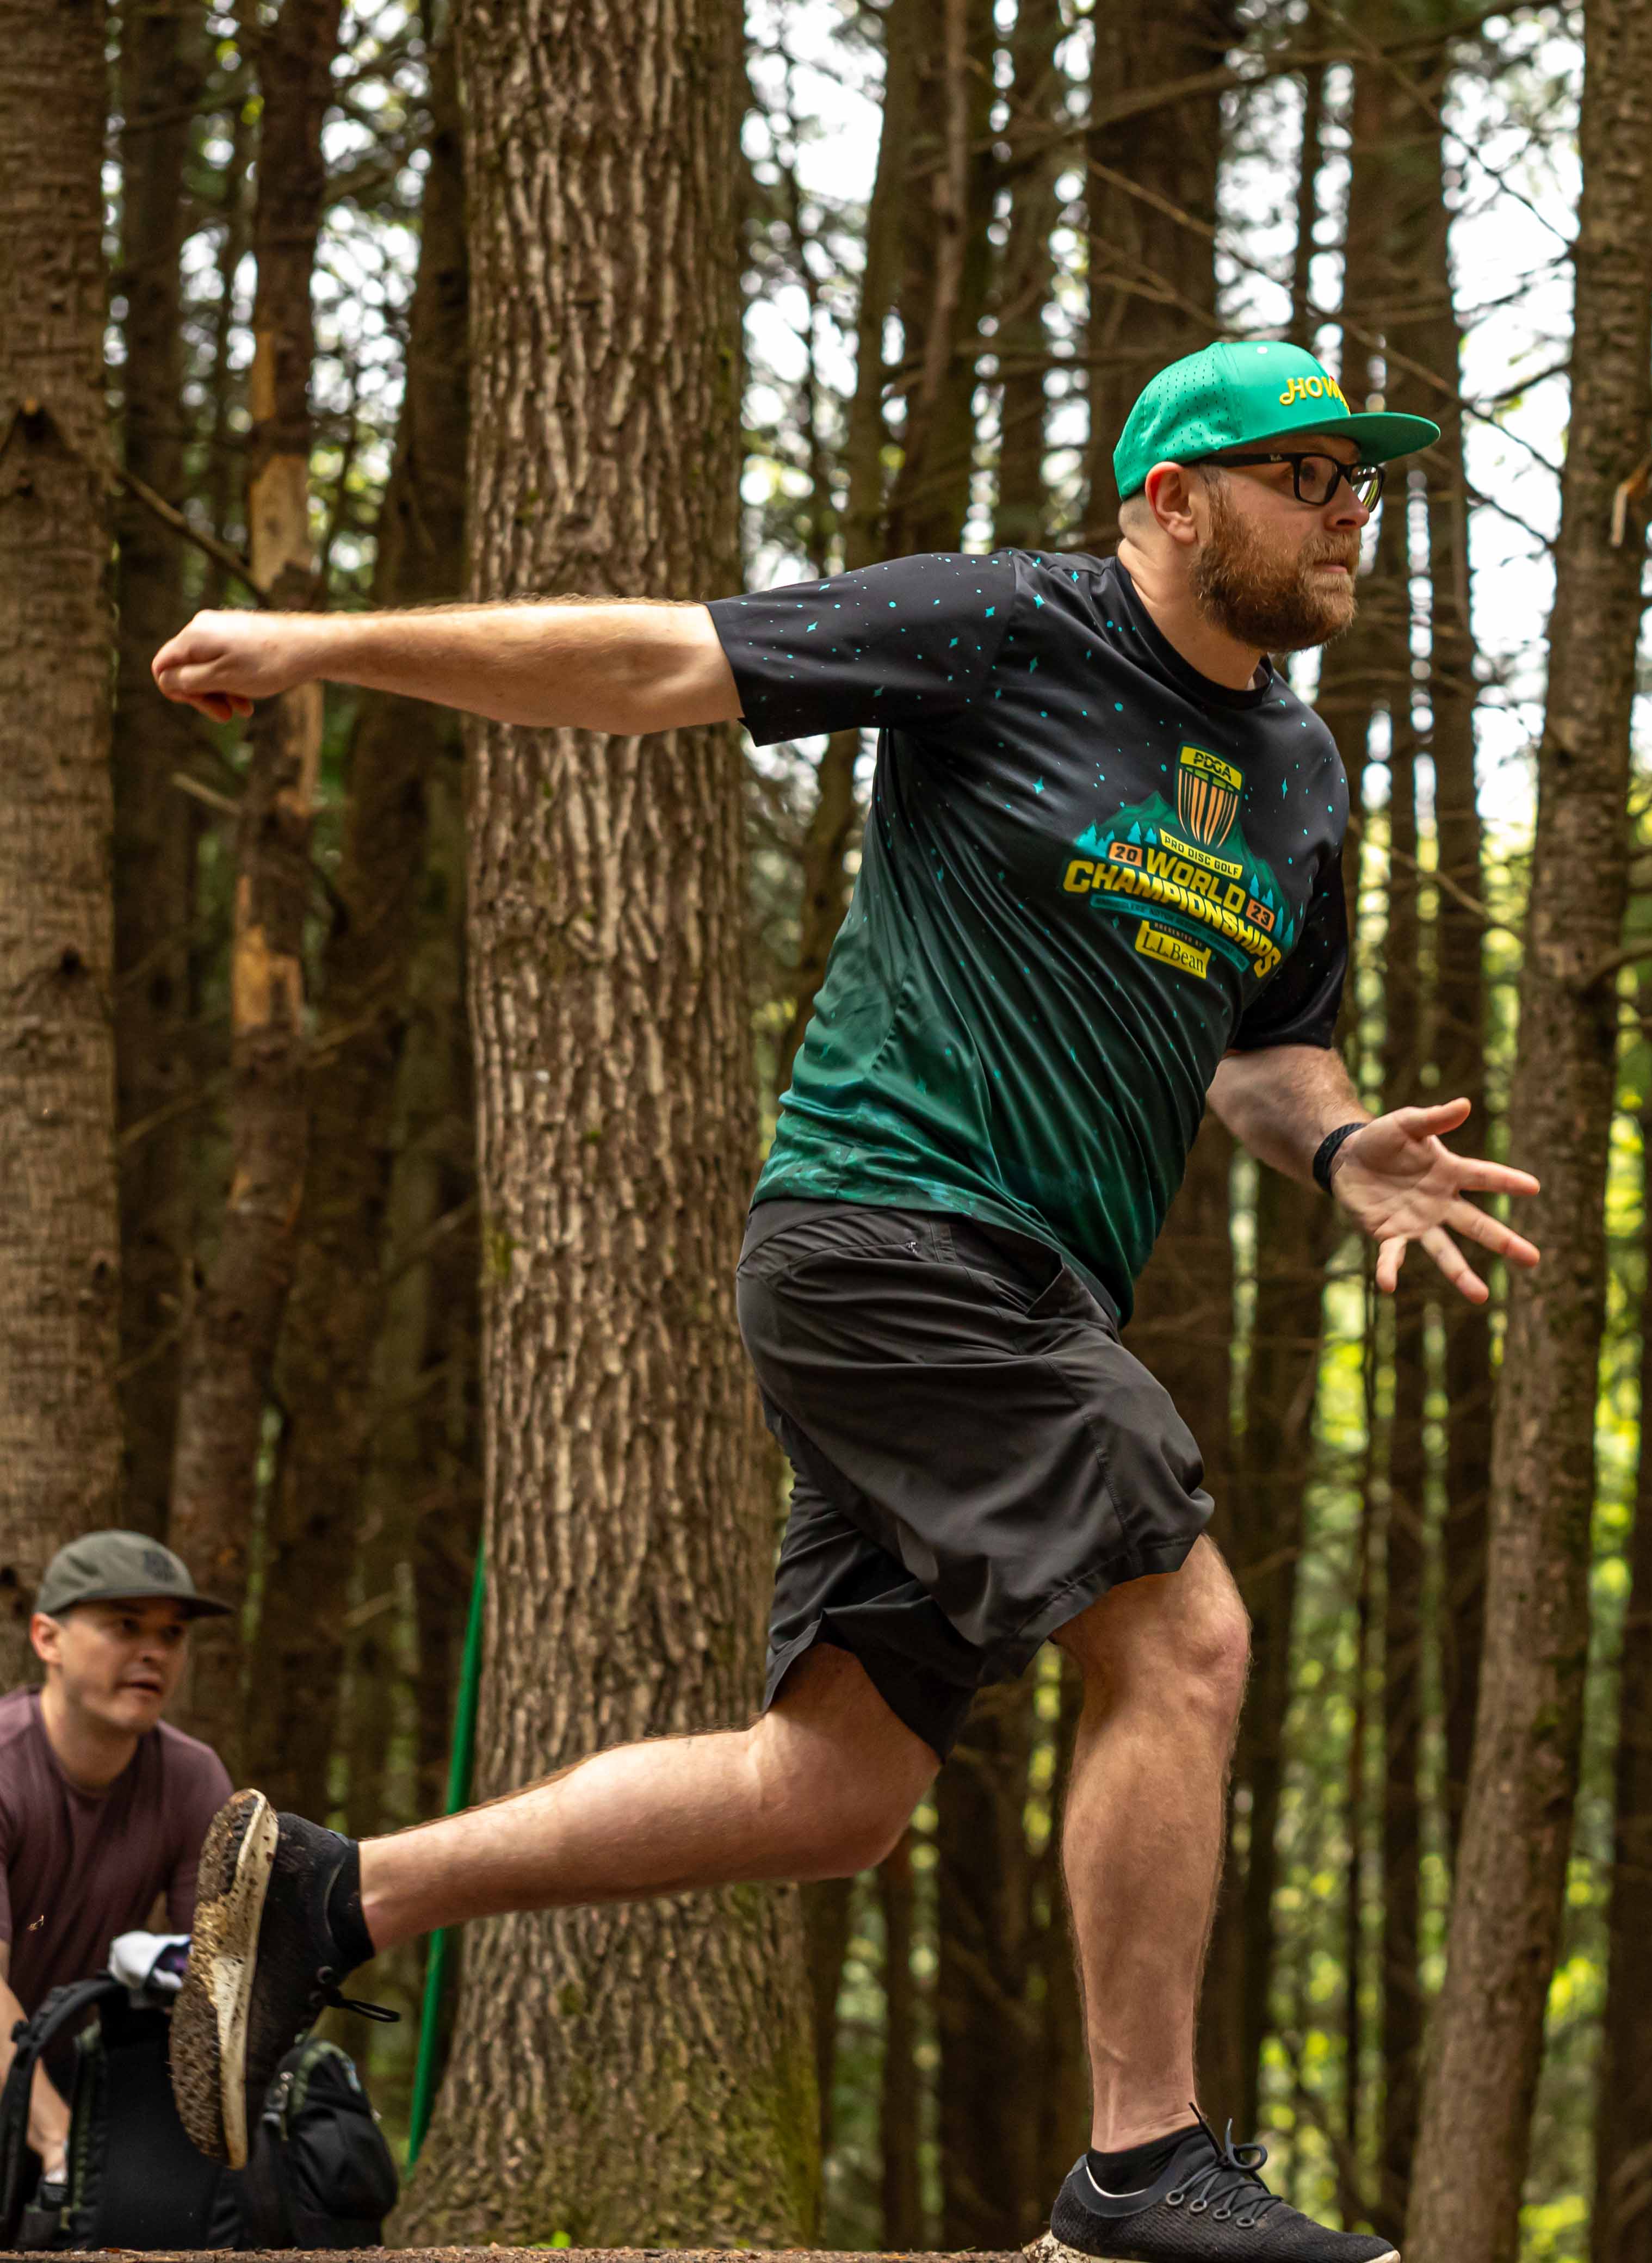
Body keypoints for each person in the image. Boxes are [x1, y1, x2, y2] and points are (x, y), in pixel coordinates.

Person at [148, 338, 1538, 2261]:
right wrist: (323, 645)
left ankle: (335, 1893)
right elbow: (651, 661)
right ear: (1168, 500)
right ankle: (1142, 2169)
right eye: (1302, 475)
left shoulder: (1295, 776)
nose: (1346, 513)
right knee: (1185, 1636)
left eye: (1358, 481)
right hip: (895, 1237)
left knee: (832, 1791)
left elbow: (1266, 1054)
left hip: (1018, 1290)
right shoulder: (1005, 630)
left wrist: (1344, 1144)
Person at [1, 1534, 234, 2191]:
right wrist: (61, 2144)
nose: (153, 1650)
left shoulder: (193, 1778)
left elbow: (218, 1981)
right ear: (47, 1638)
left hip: (71, 2071)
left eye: (172, 1632)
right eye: (126, 1625)